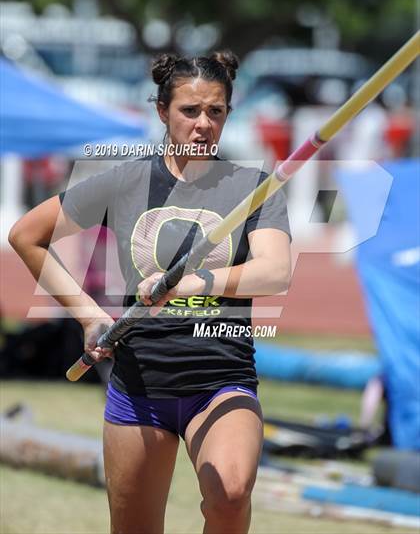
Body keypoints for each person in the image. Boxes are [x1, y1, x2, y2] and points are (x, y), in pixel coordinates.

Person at [9, 51, 291, 534]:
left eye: (216, 112)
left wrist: (200, 282)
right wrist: (88, 317)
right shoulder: (127, 181)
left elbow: (275, 271)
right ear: (162, 111)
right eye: (189, 111)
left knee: (230, 494)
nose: (203, 125)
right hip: (140, 388)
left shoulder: (253, 188)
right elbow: (26, 236)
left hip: (221, 381)